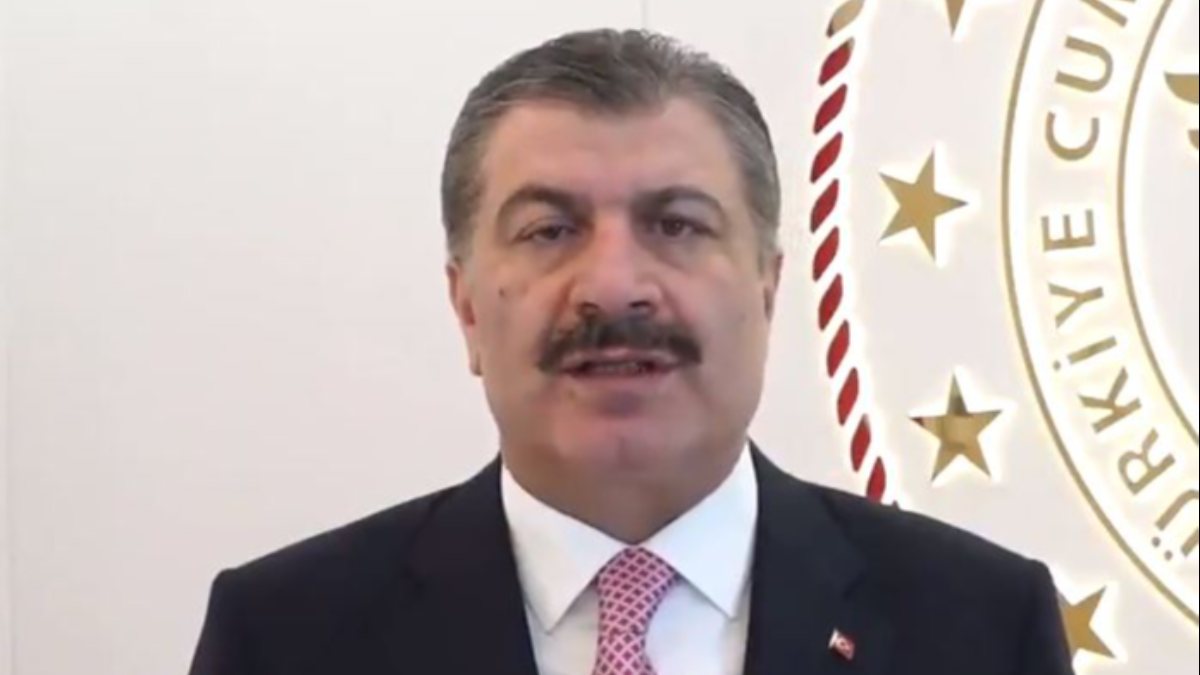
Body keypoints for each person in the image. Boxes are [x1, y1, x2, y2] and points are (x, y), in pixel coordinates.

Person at [189, 28, 1075, 675]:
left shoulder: (981, 627)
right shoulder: (287, 636)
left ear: (767, 289)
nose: (613, 286)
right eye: (550, 229)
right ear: (466, 306)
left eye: (677, 224)